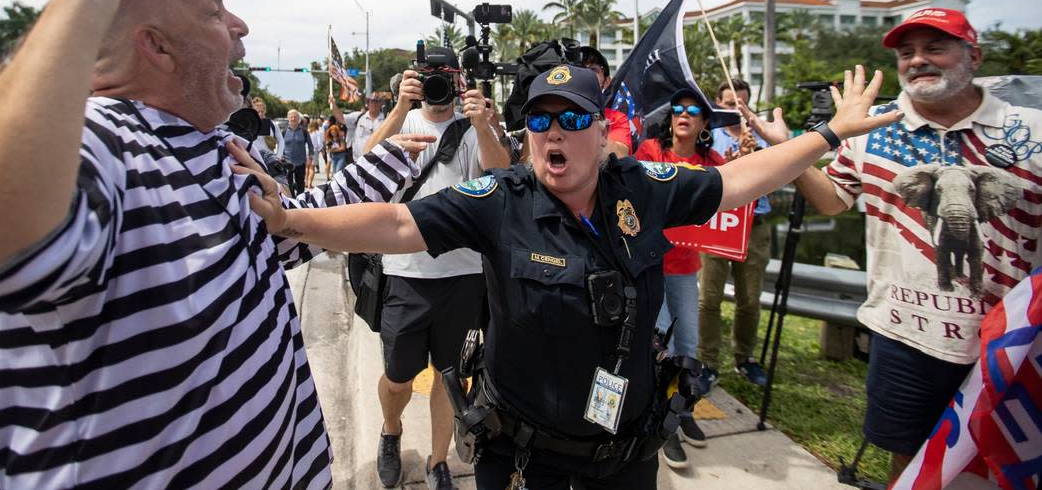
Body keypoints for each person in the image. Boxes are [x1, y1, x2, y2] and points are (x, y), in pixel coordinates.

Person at [0, 0, 434, 490]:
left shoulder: (213, 147)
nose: (239, 25)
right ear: (156, 47)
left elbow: (284, 235)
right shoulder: (103, 139)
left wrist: (394, 154)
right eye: (215, 12)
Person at [230, 62, 899, 489]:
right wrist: (292, 222)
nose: (556, 132)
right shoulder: (500, 200)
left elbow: (736, 181)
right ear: (527, 138)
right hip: (520, 461)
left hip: (625, 458)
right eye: (541, 122)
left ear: (602, 133)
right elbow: (398, 225)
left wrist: (828, 136)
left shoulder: (644, 186)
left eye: (573, 119)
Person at [740, 8, 1041, 482]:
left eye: (934, 47)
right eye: (907, 52)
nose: (918, 60)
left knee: (1002, 464)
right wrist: (787, 150)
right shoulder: (870, 127)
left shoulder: (1031, 132)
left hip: (1008, 342)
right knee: (912, 460)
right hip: (903, 335)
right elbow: (834, 201)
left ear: (973, 55)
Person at [361, 50, 511, 490]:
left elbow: (502, 178)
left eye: (446, 78)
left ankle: (438, 460)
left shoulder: (471, 128)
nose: (439, 87)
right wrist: (399, 108)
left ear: (459, 80)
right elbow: (364, 168)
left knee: (451, 378)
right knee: (397, 376)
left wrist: (484, 124)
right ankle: (391, 431)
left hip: (462, 276)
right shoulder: (401, 122)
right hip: (406, 273)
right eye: (430, 78)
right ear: (414, 80)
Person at [632, 87, 725, 469]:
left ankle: (683, 410)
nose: (683, 115)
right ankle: (662, 426)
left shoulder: (713, 160)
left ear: (704, 123)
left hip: (686, 267)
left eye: (692, 111)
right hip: (652, 265)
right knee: (663, 347)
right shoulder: (652, 152)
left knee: (688, 343)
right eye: (677, 110)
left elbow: (736, 192)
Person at [699, 77, 772, 391]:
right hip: (718, 223)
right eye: (729, 105)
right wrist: (733, 161)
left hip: (754, 223)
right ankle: (706, 362)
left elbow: (774, 179)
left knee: (750, 300)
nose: (735, 110)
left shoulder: (763, 136)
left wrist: (754, 157)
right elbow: (703, 176)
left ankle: (745, 358)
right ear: (718, 103)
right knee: (709, 299)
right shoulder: (709, 137)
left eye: (741, 104)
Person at [579, 46, 632, 158]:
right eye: (580, 69)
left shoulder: (616, 118)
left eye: (593, 69)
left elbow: (620, 154)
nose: (586, 75)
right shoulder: (558, 110)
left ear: (607, 82)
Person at [331, 89, 387, 163]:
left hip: (379, 162)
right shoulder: (358, 117)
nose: (374, 104)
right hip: (358, 162)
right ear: (368, 103)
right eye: (372, 101)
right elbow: (341, 118)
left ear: (381, 104)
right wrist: (333, 104)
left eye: (377, 101)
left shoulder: (387, 119)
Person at [280, 108, 315, 196]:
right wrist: (280, 156)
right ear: (288, 118)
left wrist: (310, 157)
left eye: (295, 117)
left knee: (300, 184)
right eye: (291, 117)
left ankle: (300, 199)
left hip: (300, 162)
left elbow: (310, 145)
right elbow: (280, 146)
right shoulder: (284, 132)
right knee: (288, 183)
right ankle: (292, 199)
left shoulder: (304, 131)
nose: (293, 119)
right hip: (287, 163)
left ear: (298, 118)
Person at [307, 117, 325, 187]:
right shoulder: (317, 132)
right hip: (314, 151)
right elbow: (319, 143)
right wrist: (321, 150)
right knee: (312, 168)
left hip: (307, 150)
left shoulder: (308, 132)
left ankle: (305, 182)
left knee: (307, 167)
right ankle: (309, 183)